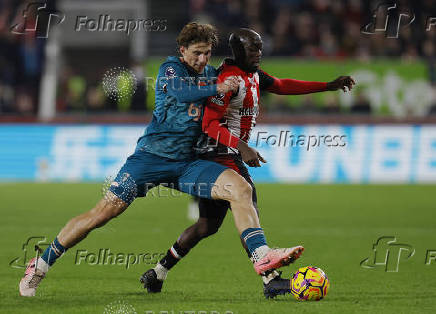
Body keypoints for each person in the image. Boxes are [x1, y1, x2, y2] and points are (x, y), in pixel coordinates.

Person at [19, 22, 304, 297]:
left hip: (188, 164)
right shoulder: (171, 69)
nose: (203, 59)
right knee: (101, 215)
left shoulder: (212, 74)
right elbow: (181, 92)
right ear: (182, 50)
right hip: (150, 160)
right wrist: (217, 88)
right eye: (196, 53)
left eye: (207, 53)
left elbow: (250, 89)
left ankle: (263, 258)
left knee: (241, 189)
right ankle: (40, 265)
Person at [141, 28, 355, 298]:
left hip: (227, 152)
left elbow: (281, 85)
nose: (258, 54)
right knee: (247, 201)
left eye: (260, 48)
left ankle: (158, 272)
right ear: (238, 51)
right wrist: (242, 147)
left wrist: (328, 86)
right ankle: (270, 278)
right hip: (216, 153)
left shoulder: (252, 74)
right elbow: (209, 124)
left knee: (208, 225)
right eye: (253, 49)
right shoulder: (228, 78)